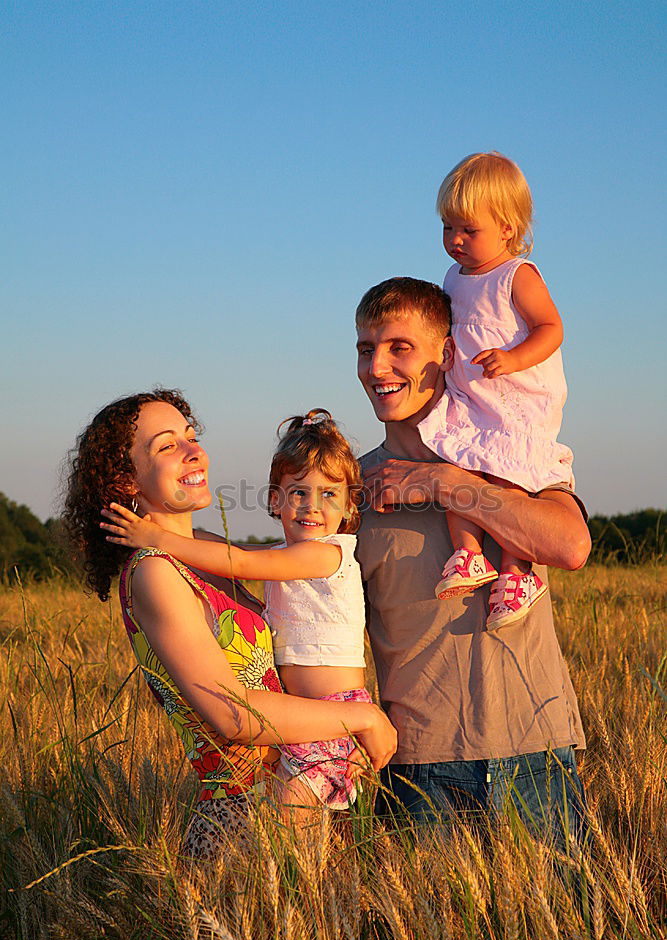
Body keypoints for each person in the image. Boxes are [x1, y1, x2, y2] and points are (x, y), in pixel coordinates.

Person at [63, 389, 396, 859]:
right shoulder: (156, 571)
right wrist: (361, 715)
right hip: (245, 821)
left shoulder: (205, 547)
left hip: (304, 779)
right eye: (166, 445)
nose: (192, 450)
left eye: (191, 436)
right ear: (125, 481)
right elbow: (233, 714)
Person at [355, 277, 589, 842]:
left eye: (399, 347)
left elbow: (570, 545)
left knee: (560, 932)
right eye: (366, 349)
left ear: (449, 354)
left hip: (538, 754)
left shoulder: (516, 461)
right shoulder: (351, 488)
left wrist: (445, 482)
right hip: (418, 766)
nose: (377, 367)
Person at [417, 152, 574, 630]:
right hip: (473, 398)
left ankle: (517, 570)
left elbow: (551, 328)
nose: (455, 240)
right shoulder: (453, 279)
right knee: (459, 468)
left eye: (468, 229)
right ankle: (469, 555)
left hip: (515, 399)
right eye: (447, 228)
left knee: (507, 478)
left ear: (507, 228)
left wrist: (513, 359)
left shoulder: (516, 275)